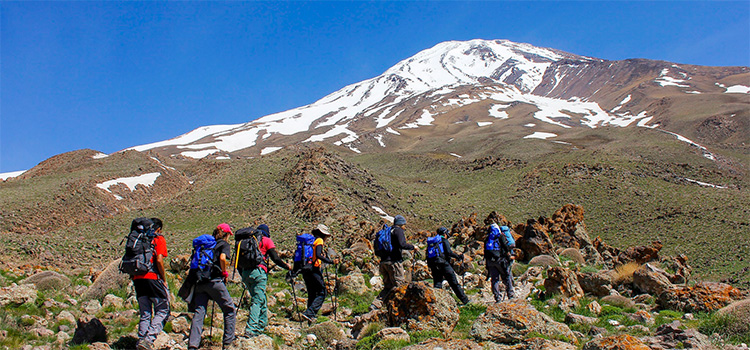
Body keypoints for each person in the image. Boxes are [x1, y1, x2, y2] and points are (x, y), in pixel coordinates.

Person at [188, 223, 236, 350]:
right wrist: (224, 272)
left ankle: (193, 345)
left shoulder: (207, 244)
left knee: (199, 312)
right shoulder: (223, 244)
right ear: (226, 234)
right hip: (214, 281)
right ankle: (228, 342)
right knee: (229, 309)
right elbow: (222, 257)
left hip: (200, 282)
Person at [241, 224, 292, 337]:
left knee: (261, 298)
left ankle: (261, 325)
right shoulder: (266, 241)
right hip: (259, 272)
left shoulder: (247, 241)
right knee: (257, 300)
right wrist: (286, 266)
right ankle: (250, 329)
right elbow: (275, 258)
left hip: (245, 273)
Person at [133, 218, 169, 350]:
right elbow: (159, 260)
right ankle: (148, 340)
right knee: (163, 309)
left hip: (138, 279)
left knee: (145, 312)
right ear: (158, 229)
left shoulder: (139, 239)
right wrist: (163, 278)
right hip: (153, 278)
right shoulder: (158, 239)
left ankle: (141, 339)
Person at [292, 224, 338, 323]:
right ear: (323, 234)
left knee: (312, 293)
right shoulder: (319, 241)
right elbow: (317, 255)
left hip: (305, 269)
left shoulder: (312, 241)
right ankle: (310, 313)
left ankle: (309, 316)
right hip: (314, 269)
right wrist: (331, 262)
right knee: (322, 292)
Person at [371, 215, 415, 310]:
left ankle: (375, 305)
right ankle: (399, 310)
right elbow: (402, 244)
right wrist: (413, 247)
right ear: (401, 224)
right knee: (400, 286)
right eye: (404, 225)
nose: (405, 227)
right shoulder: (398, 230)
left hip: (383, 262)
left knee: (388, 286)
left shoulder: (388, 231)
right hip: (394, 262)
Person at [427, 227, 470, 305]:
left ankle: (437, 302)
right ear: (444, 233)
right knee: (453, 283)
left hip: (434, 264)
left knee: (437, 283)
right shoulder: (444, 240)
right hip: (443, 264)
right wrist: (458, 256)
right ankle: (465, 300)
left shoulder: (433, 242)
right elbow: (449, 252)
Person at [485, 222, 516, 302]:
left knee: (495, 279)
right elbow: (506, 247)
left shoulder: (488, 238)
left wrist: (487, 265)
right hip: (500, 261)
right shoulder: (500, 236)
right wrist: (509, 257)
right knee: (507, 276)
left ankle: (497, 298)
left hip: (490, 262)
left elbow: (485, 252)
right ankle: (511, 295)